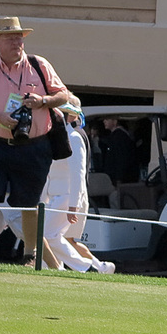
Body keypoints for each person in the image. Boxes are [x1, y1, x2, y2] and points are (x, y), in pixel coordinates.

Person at [0, 16, 78, 266]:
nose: (17, 41)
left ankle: (29, 254)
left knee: (30, 203)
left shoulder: (39, 65)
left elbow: (63, 94)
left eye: (19, 37)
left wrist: (42, 101)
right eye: (10, 37)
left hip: (34, 146)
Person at [40, 101, 114, 274]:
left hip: (66, 197)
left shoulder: (73, 138)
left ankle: (86, 267)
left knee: (48, 235)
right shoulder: (54, 139)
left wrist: (74, 204)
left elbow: (78, 173)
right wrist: (43, 200)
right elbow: (49, 175)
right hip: (53, 198)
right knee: (49, 236)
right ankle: (85, 267)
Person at [95, 117, 141, 186]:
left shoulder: (119, 137)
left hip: (119, 179)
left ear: (115, 121)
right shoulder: (116, 136)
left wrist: (119, 179)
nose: (104, 121)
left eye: (107, 119)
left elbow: (120, 158)